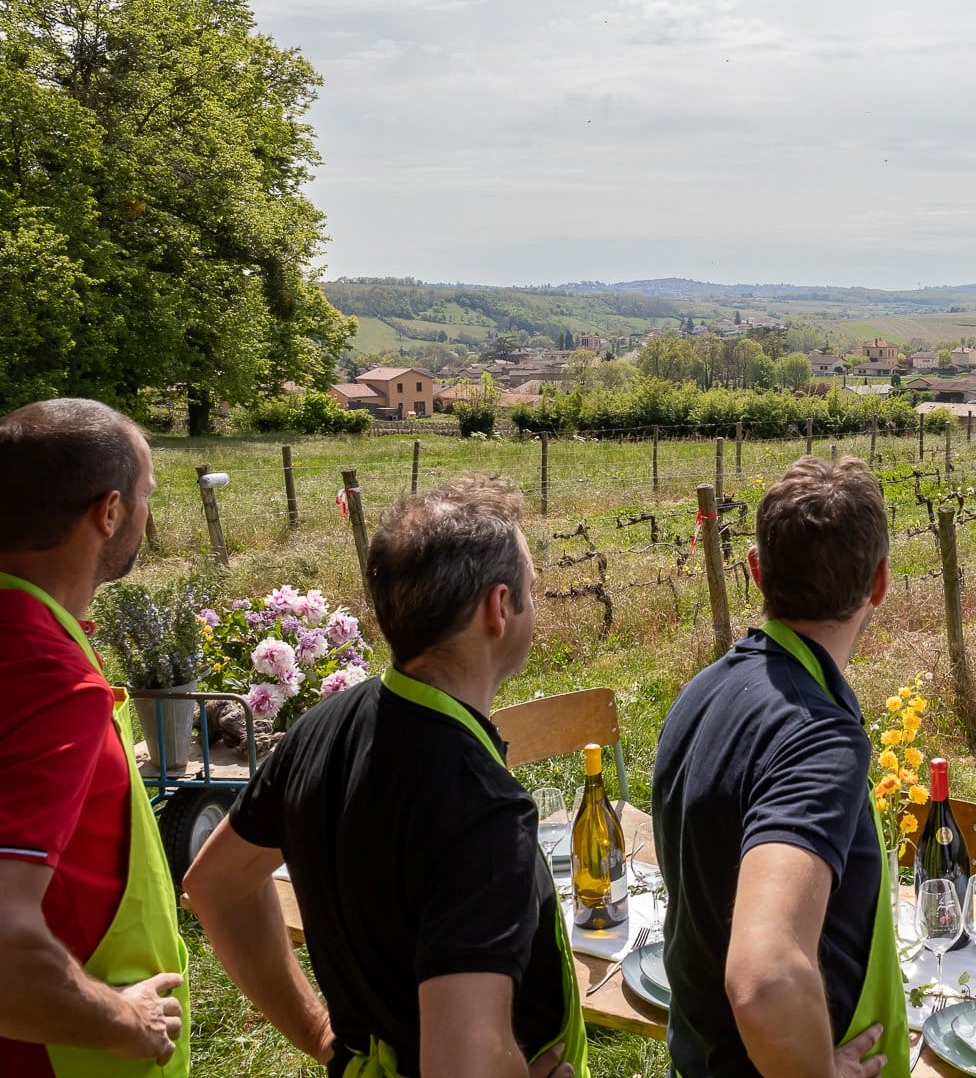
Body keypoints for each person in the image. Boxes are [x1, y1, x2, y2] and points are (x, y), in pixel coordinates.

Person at [184, 476, 585, 1078]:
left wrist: (324, 1035)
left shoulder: (320, 728)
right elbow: (463, 1063)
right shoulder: (481, 807)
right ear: (498, 608)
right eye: (532, 589)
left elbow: (215, 885)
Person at [654, 456, 904, 1078]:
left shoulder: (702, 692)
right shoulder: (818, 738)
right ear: (879, 584)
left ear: (756, 572)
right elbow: (765, 980)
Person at [0, 398, 187, 1078]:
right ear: (109, 513)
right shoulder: (46, 677)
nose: (145, 515)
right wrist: (121, 1021)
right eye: (145, 498)